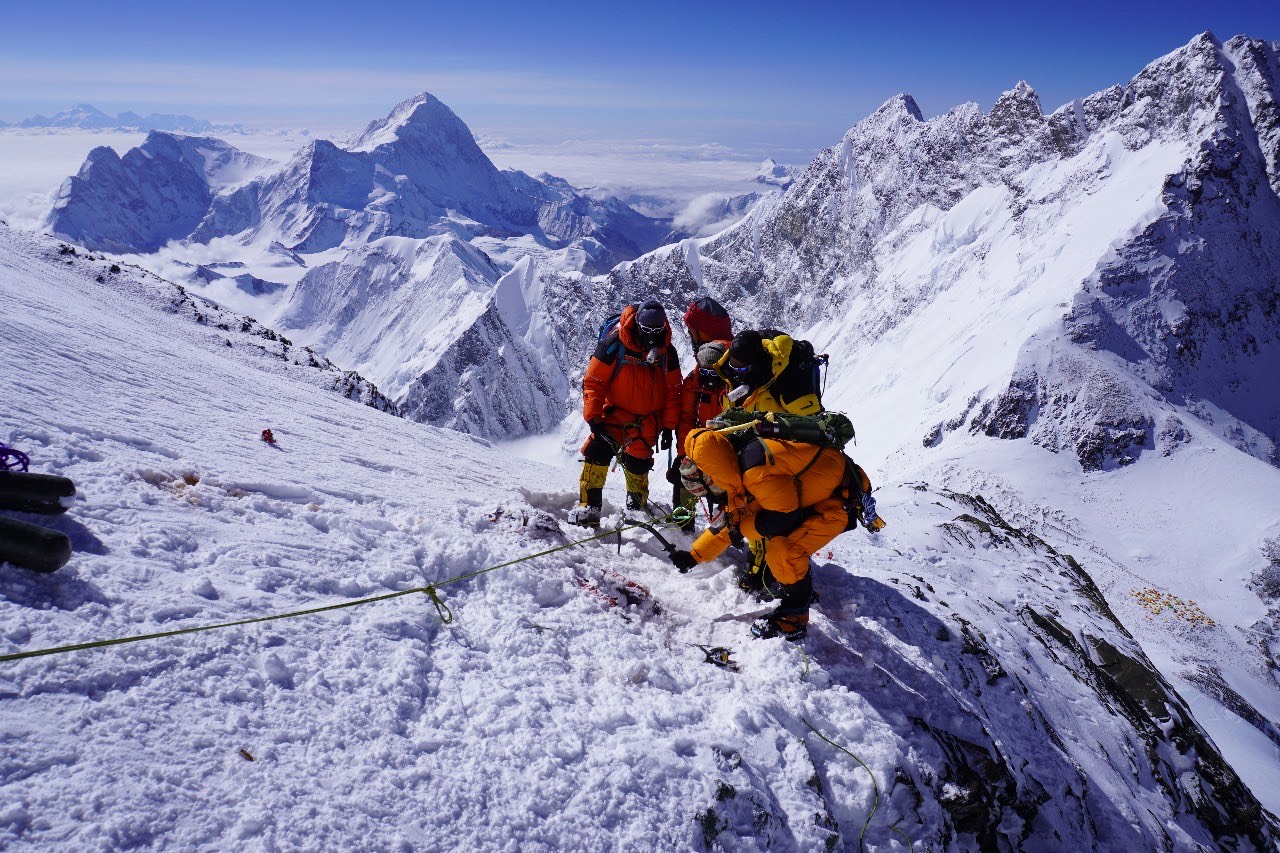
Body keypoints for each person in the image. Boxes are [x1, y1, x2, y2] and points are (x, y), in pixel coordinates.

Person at [668, 426, 881, 641]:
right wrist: (694, 556)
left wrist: (740, 531)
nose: (712, 498)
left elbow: (783, 518)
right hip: (815, 495)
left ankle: (794, 617)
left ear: (712, 479)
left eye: (707, 492)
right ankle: (798, 587)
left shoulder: (755, 474)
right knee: (778, 540)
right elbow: (730, 524)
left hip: (840, 501)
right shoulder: (733, 466)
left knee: (783, 550)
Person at [712, 328, 825, 594]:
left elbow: (813, 425)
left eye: (742, 370)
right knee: (752, 506)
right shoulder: (734, 371)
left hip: (784, 455)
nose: (736, 374)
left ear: (756, 364)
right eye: (733, 369)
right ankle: (760, 563)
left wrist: (773, 430)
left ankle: (782, 573)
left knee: (776, 513)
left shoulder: (787, 380)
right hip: (754, 450)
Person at [569, 300, 682, 527]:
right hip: (615, 414)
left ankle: (636, 508)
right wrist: (593, 416)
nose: (652, 335)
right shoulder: (614, 344)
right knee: (597, 450)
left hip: (646, 420)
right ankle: (589, 506)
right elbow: (594, 382)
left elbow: (673, 391)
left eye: (656, 330)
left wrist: (669, 426)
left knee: (638, 462)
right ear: (637, 324)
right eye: (647, 330)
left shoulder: (667, 352)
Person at [670, 297, 734, 529]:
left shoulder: (701, 374)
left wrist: (682, 455)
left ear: (702, 333)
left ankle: (682, 528)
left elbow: (687, 417)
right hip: (723, 453)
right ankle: (729, 534)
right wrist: (681, 455)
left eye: (692, 331)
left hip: (718, 453)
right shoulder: (732, 368)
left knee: (685, 477)